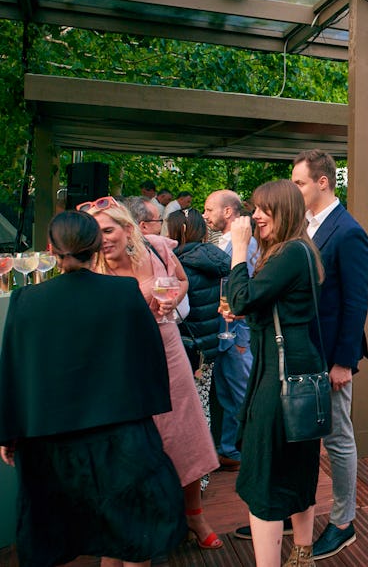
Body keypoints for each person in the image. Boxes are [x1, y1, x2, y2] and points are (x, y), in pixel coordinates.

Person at [0, 210, 187, 567]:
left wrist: (9, 434)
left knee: (54, 535)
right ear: (97, 247)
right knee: (134, 531)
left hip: (50, 441)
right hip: (121, 436)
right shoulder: (122, 293)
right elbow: (149, 358)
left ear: (52, 249)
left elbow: (14, 369)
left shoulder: (27, 301)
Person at [88, 198, 221, 550]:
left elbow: (180, 280)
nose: (102, 239)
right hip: (124, 360)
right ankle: (144, 520)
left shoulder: (158, 248)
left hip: (168, 350)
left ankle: (194, 514)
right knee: (137, 440)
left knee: (185, 430)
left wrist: (172, 301)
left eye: (108, 230)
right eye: (95, 232)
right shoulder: (91, 268)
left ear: (127, 228)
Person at [225, 180, 326, 567]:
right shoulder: (302, 251)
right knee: (297, 463)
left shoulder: (288, 254)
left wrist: (237, 249)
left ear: (283, 211)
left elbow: (242, 297)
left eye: (263, 210)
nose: (254, 216)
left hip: (279, 372)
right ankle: (302, 555)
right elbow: (262, 304)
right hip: (298, 366)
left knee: (265, 474)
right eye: (254, 209)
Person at [291, 150, 368, 559]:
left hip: (331, 356)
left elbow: (357, 303)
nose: (295, 189)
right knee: (302, 435)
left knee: (338, 438)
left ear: (323, 182)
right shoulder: (303, 225)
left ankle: (343, 522)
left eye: (300, 182)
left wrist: (343, 361)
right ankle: (295, 516)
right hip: (302, 351)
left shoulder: (348, 231)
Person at [167, 209, 233, 462]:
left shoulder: (178, 262)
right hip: (208, 344)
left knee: (186, 411)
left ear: (179, 231)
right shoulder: (214, 258)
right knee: (202, 403)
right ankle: (203, 472)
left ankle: (195, 470)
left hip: (186, 346)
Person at [203, 190, 256, 474]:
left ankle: (250, 453)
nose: (205, 215)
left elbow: (243, 289)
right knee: (225, 395)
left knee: (240, 394)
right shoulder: (220, 242)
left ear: (228, 212)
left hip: (238, 334)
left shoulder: (245, 244)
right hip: (225, 333)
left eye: (209, 209)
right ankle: (230, 451)